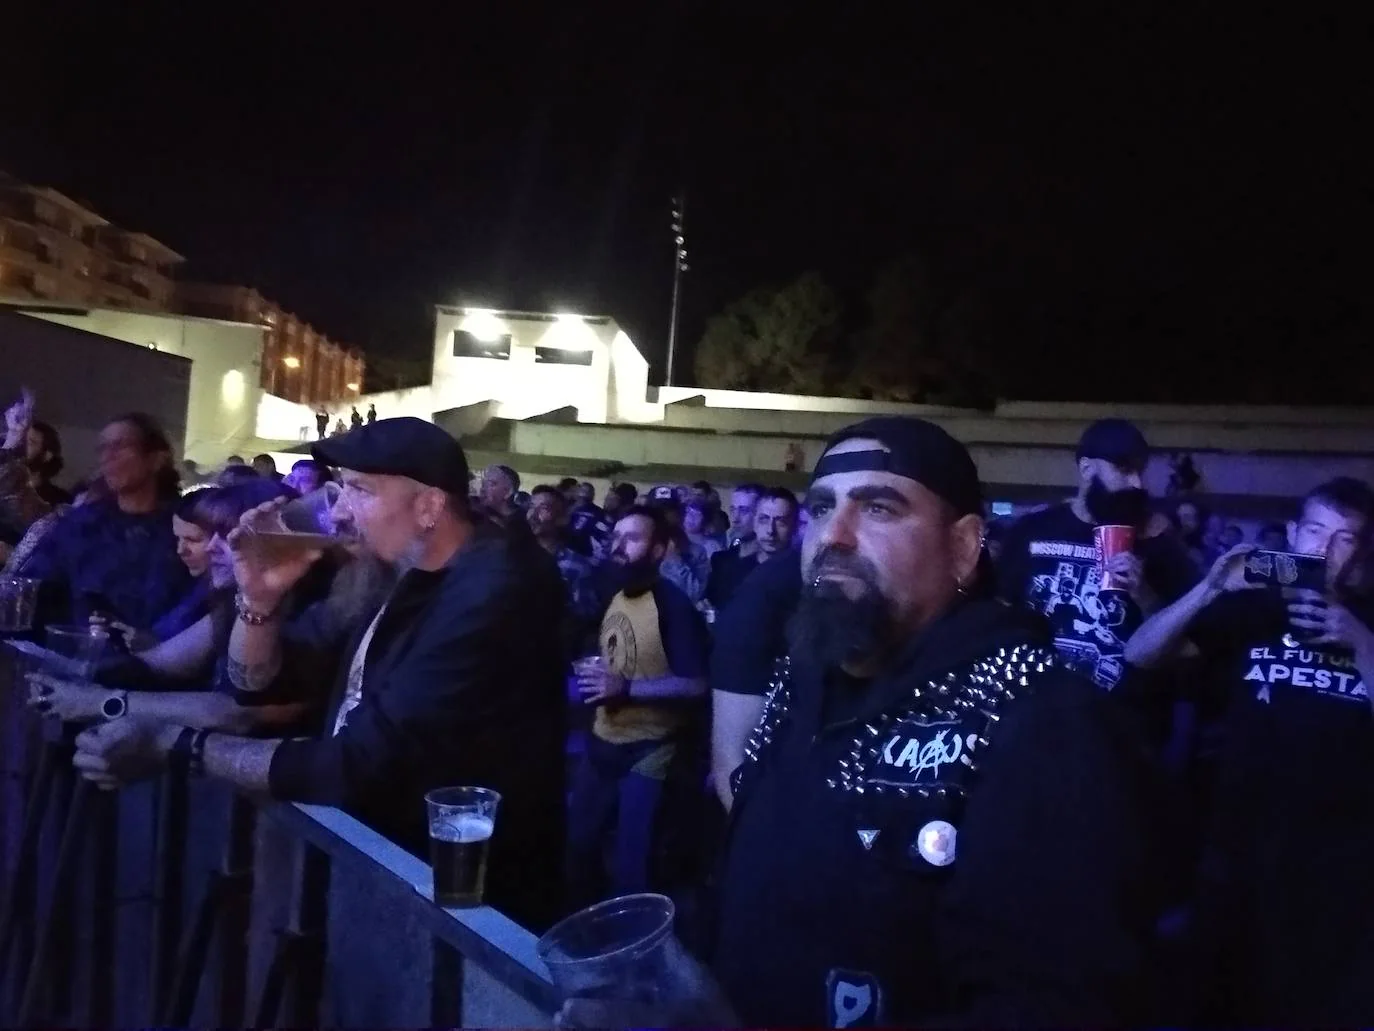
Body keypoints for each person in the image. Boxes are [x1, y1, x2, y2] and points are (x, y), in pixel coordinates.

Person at [564, 417, 1157, 1028]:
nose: (833, 536)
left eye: (878, 507)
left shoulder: (1042, 718)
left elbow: (1049, 1009)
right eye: (821, 509)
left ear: (963, 546)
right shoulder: (805, 682)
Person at [71, 417, 568, 931]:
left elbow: (356, 764)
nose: (341, 511)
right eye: (340, 489)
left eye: (359, 490)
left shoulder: (495, 587)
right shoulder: (390, 571)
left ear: (429, 506)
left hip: (465, 910)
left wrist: (176, 745)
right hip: (385, 874)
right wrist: (258, 598)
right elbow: (260, 683)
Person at [1123, 477, 1374, 1024]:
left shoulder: (1370, 621)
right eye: (1313, 531)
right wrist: (1209, 588)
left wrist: (1359, 641)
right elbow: (1139, 655)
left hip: (1338, 874)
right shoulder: (1254, 611)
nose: (1323, 550)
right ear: (1290, 536)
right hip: (1235, 855)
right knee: (1217, 1000)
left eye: (1345, 538)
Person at [566, 505, 709, 907]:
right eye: (616, 537)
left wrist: (625, 688)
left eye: (632, 539)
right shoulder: (616, 594)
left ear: (660, 550)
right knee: (579, 846)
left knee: (633, 870)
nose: (619, 546)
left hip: (647, 754)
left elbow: (696, 684)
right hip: (602, 742)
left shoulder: (673, 607)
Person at [997, 418, 1197, 695]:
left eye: (1140, 471)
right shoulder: (1031, 530)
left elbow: (1186, 644)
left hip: (1123, 722)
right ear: (1087, 469)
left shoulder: (1156, 539)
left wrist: (1144, 595)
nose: (1136, 483)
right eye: (1124, 469)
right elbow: (999, 616)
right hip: (1037, 711)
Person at [23, 412, 191, 629]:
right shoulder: (81, 525)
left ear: (156, 459)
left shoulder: (184, 530)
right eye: (103, 448)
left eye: (120, 446)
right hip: (77, 652)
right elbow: (34, 584)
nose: (108, 456)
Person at [706, 487, 799, 612]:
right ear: (755, 522)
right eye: (764, 519)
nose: (770, 530)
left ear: (795, 525)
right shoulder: (734, 569)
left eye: (780, 522)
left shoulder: (801, 576)